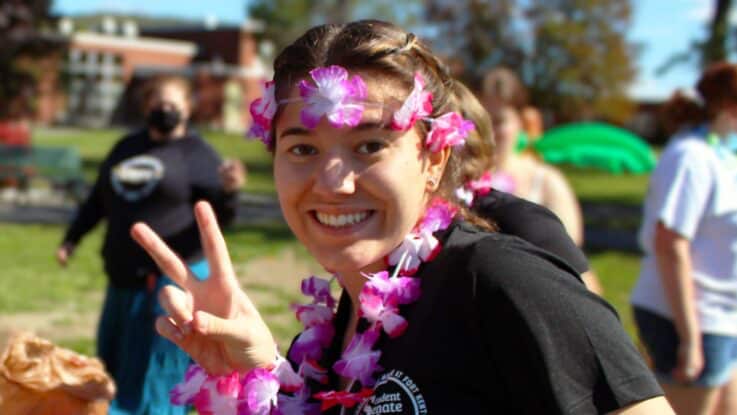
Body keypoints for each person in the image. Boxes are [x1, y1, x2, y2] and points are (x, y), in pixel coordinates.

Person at [131, 20, 670, 414]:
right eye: (301, 150)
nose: (332, 181)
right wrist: (256, 372)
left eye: (369, 145)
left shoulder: (502, 284)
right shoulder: (324, 339)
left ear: (434, 160)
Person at [55, 75, 246, 414]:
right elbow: (98, 200)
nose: (165, 109)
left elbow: (217, 218)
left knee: (158, 371)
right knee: (113, 362)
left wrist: (229, 192)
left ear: (188, 108)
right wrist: (72, 239)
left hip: (172, 280)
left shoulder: (197, 154)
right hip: (123, 278)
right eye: (158, 103)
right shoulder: (127, 147)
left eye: (173, 103)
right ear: (146, 107)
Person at [630, 62, 737, 415]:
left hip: (722, 316)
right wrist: (690, 340)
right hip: (692, 319)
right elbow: (670, 243)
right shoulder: (690, 156)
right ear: (728, 106)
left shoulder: (722, 153)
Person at [452, 80, 590, 277]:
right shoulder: (455, 182)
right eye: (481, 119)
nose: (488, 130)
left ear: (521, 122)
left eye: (499, 121)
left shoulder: (547, 180)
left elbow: (573, 264)